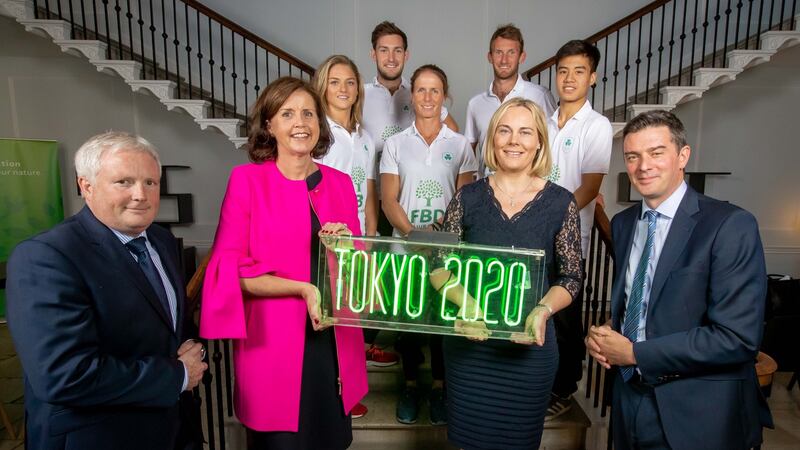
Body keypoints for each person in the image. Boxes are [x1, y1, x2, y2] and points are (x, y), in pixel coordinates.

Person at [5, 131, 207, 450]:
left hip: (171, 429)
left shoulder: (162, 241)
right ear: (86, 186)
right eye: (124, 182)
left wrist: (193, 350)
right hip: (98, 437)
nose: (141, 195)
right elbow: (65, 376)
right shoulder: (45, 257)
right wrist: (178, 375)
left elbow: (168, 326)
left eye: (150, 182)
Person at [586, 110, 773, 450]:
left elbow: (736, 338)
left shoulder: (729, 225)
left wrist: (635, 353)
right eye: (633, 156)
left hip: (699, 411)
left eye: (656, 153)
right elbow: (644, 303)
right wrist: (608, 333)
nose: (643, 166)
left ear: (683, 156)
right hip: (629, 400)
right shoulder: (625, 224)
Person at [199, 76, 368, 449]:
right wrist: (303, 289)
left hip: (332, 345)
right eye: (287, 113)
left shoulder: (340, 184)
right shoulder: (246, 181)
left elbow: (360, 266)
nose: (300, 123)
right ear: (269, 124)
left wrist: (346, 248)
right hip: (271, 345)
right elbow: (229, 270)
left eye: (309, 113)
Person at [380, 64, 477, 425]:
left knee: (441, 322)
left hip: (446, 249)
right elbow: (389, 200)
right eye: (421, 89)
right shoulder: (395, 144)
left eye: (435, 90)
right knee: (407, 322)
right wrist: (413, 236)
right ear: (412, 95)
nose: (427, 97)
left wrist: (437, 237)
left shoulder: (461, 145)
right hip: (404, 247)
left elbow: (465, 201)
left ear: (444, 96)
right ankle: (409, 386)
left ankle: (439, 388)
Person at [311, 54, 385, 419]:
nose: (343, 89)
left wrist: (369, 236)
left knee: (351, 317)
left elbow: (369, 190)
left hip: (355, 235)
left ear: (358, 90)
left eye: (350, 82)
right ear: (322, 87)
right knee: (327, 316)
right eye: (335, 81)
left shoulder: (365, 137)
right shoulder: (317, 133)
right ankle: (328, 392)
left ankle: (350, 389)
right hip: (325, 234)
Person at [545, 39, 613, 420]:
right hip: (536, 236)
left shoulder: (597, 125)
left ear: (593, 77)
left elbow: (589, 187)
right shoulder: (543, 120)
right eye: (563, 71)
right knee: (541, 310)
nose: (569, 78)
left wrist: (548, 217)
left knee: (566, 319)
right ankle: (542, 382)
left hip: (572, 239)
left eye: (579, 71)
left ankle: (565, 387)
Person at [464, 24, 556, 177]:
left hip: (528, 185)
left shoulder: (540, 96)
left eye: (511, 52)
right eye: (498, 52)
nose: (504, 60)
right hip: (487, 186)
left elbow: (552, 146)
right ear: (489, 57)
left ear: (522, 57)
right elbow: (467, 156)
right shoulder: (475, 104)